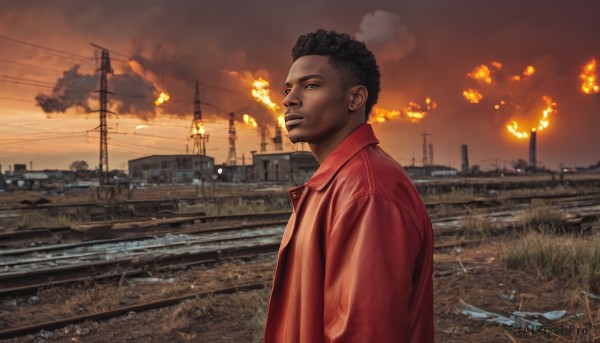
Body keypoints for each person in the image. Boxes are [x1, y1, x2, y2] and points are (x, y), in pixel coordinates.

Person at [264, 29, 434, 343]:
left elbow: (366, 334)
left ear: (355, 98)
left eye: (311, 85)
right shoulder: (337, 182)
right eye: (287, 89)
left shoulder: (367, 192)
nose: (289, 100)